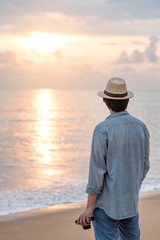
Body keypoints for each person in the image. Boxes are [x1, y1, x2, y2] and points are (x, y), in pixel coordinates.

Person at [76, 77, 150, 240]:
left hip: (106, 206)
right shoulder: (141, 127)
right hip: (130, 202)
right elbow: (145, 165)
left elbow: (96, 171)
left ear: (105, 101)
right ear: (127, 101)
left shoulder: (103, 129)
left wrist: (89, 207)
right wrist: (131, 186)